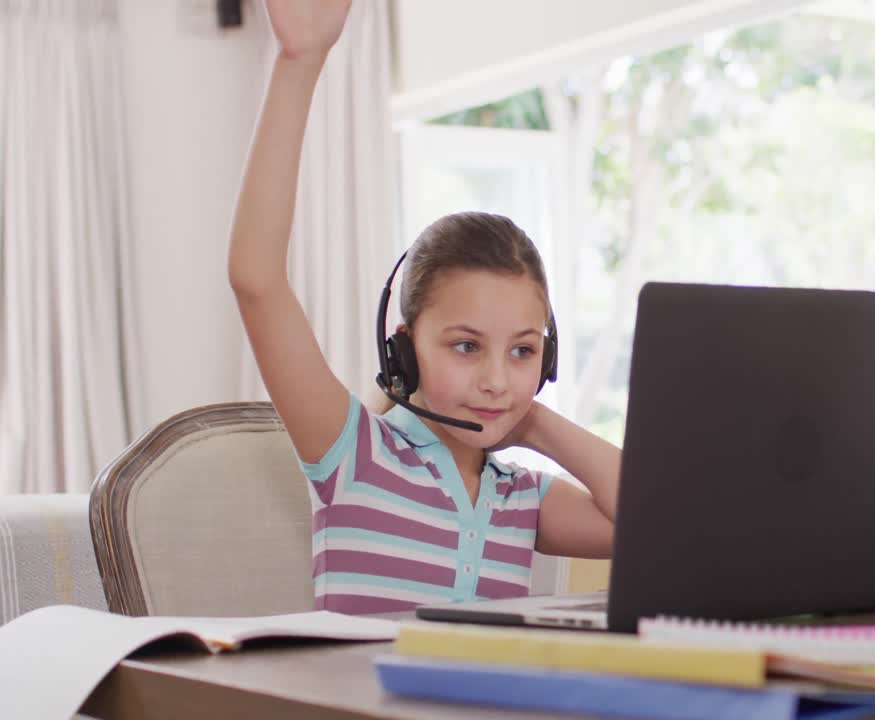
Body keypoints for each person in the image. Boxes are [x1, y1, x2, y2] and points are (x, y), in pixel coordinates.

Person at [228, 0, 619, 614]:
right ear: (404, 349)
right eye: (466, 346)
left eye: (523, 350)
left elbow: (659, 527)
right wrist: (299, 62)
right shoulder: (354, 455)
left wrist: (535, 422)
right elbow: (256, 280)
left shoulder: (522, 499)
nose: (495, 379)